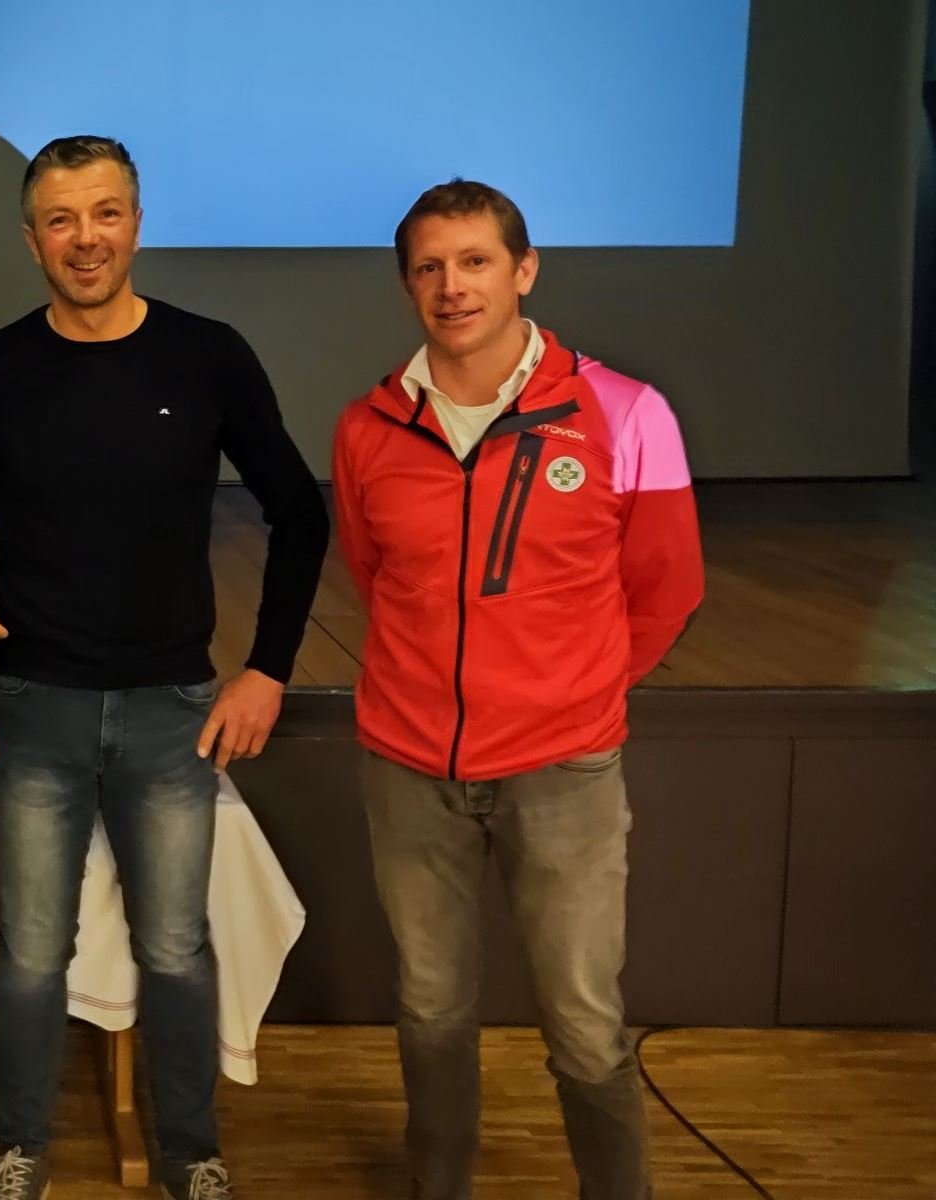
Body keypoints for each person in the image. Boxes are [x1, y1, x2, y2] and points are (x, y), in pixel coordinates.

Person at [0, 135, 330, 1200]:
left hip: (172, 708)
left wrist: (266, 669)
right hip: (29, 707)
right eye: (61, 219)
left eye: (105, 213)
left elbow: (299, 512)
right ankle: (20, 1148)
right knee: (31, 952)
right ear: (30, 238)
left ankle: (191, 1153)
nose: (85, 239)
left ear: (136, 222)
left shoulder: (208, 355)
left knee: (175, 950)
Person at [330, 178, 704, 1199]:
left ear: (523, 270)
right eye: (428, 267)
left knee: (583, 1022)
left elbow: (666, 590)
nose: (452, 287)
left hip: (562, 772)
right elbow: (375, 575)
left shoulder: (625, 411)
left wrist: (569, 694)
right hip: (409, 767)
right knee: (430, 1008)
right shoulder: (367, 427)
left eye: (475, 262)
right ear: (407, 285)